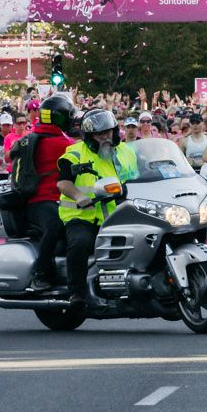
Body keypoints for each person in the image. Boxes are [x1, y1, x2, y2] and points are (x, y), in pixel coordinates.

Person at [56, 109, 125, 306]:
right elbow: (63, 184)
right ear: (89, 136)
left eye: (108, 131)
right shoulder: (75, 153)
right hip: (81, 215)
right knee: (80, 243)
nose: (105, 136)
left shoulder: (122, 153)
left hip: (114, 215)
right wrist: (79, 196)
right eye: (99, 133)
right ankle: (76, 293)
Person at [18, 94, 79, 291]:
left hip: (52, 200)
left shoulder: (31, 138)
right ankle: (41, 272)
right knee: (54, 225)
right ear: (61, 117)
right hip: (44, 200)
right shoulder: (63, 144)